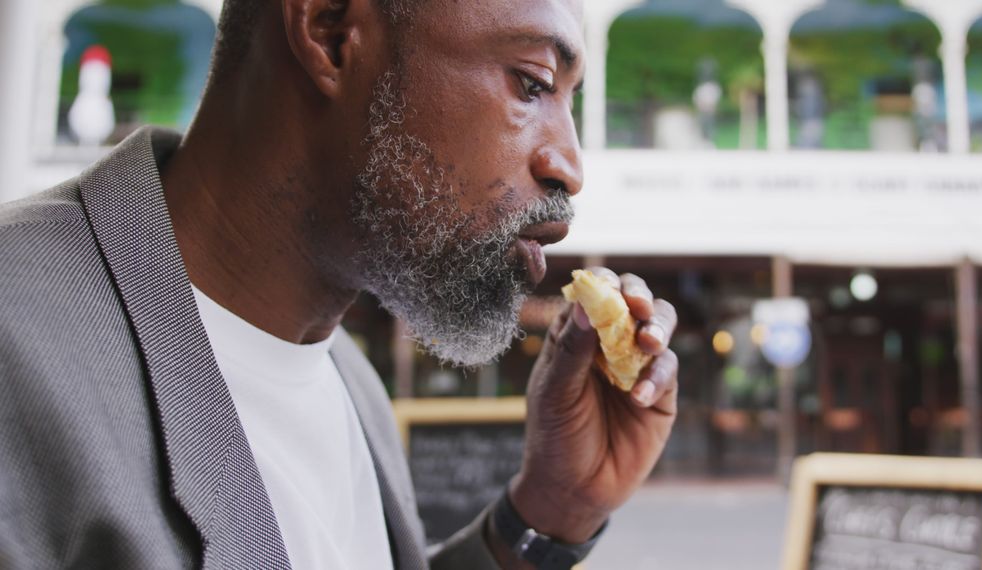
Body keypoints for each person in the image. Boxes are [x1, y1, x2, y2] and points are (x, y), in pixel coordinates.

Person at [0, 0, 680, 568]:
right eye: (531, 83)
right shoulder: (18, 334)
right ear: (328, 33)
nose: (570, 165)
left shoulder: (349, 381)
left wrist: (552, 509)